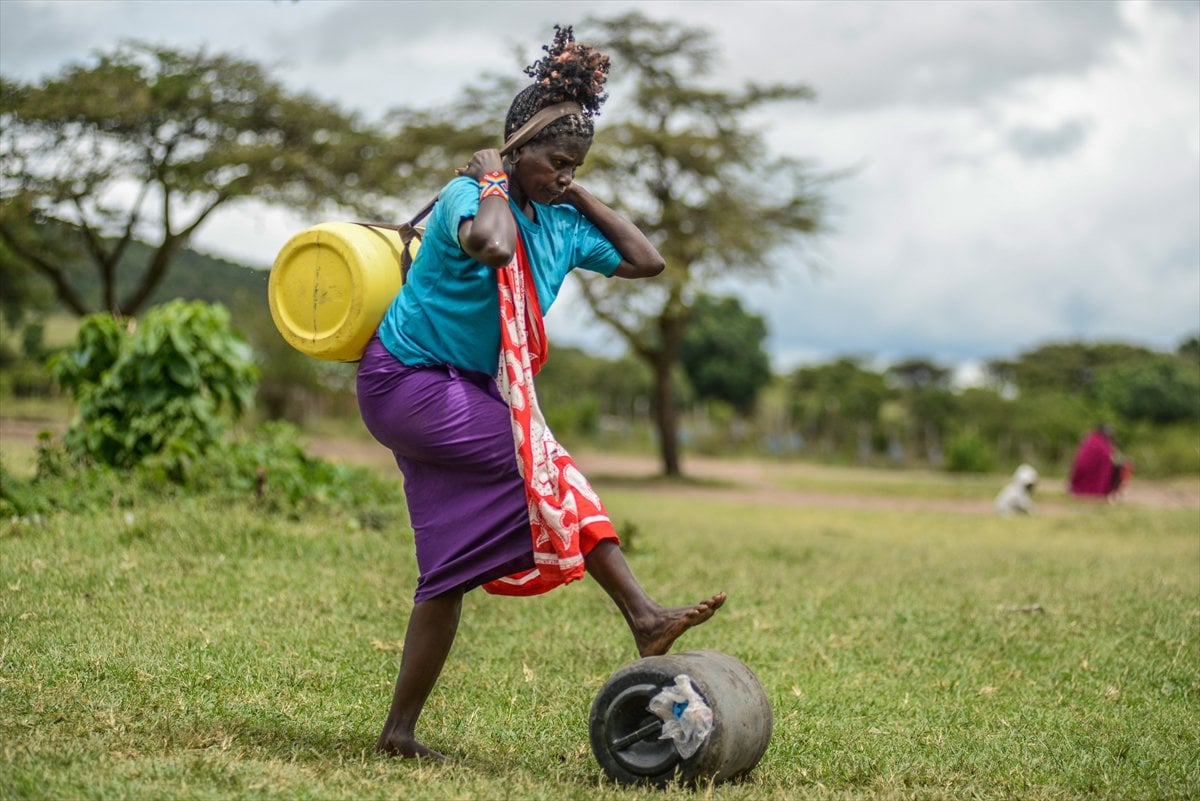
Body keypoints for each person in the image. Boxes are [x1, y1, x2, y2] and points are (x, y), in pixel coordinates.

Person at [355, 26, 725, 760]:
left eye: (575, 165)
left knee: (445, 573)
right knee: (544, 461)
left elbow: (645, 260)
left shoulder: (558, 222)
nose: (562, 176)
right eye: (555, 160)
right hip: (406, 381)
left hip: (461, 390)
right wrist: (494, 179)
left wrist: (576, 190)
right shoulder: (470, 193)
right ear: (516, 148)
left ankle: (398, 733)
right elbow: (491, 243)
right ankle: (644, 613)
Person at [1068, 424, 1131, 498]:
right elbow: (1108, 456)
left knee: (1123, 466)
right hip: (1090, 470)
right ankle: (1112, 491)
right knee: (1123, 467)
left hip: (1085, 469)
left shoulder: (1092, 439)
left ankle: (1113, 491)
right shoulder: (1098, 441)